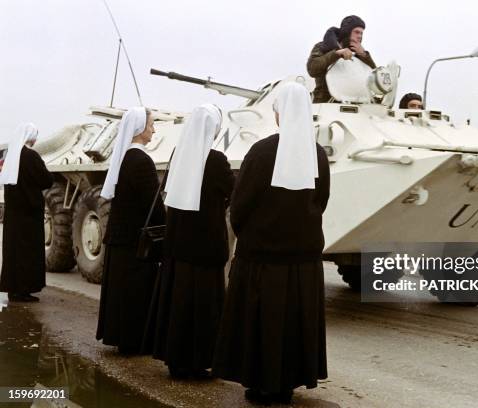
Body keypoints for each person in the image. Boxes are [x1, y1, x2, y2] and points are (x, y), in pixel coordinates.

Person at [213, 82, 330, 405]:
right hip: (302, 260)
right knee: (293, 324)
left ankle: (259, 383)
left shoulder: (262, 152)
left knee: (261, 326)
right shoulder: (317, 153)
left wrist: (250, 235)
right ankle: (287, 382)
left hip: (262, 258)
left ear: (279, 115)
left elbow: (241, 204)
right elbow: (322, 200)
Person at [146, 104, 234, 379]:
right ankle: (197, 362)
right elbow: (233, 192)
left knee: (178, 306)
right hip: (205, 248)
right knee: (202, 309)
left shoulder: (179, 156)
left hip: (177, 247)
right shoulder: (216, 160)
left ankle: (176, 360)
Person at [96, 107, 165, 355]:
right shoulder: (142, 160)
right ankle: (132, 340)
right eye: (151, 125)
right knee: (134, 292)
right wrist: (165, 225)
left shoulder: (125, 157)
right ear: (139, 128)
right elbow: (152, 203)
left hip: (120, 236)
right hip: (135, 239)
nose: (154, 129)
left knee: (121, 291)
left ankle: (121, 336)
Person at [0, 123, 53, 302]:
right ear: (31, 137)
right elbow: (47, 180)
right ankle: (23, 290)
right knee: (27, 253)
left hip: (13, 215)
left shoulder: (11, 157)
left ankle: (13, 289)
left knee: (13, 251)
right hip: (29, 214)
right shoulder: (31, 156)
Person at [307, 15, 376, 103]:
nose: (360, 36)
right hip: (324, 102)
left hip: (354, 102)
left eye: (361, 33)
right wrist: (336, 54)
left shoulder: (358, 55)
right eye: (357, 32)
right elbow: (312, 68)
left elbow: (374, 76)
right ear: (347, 32)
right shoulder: (322, 47)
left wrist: (364, 55)